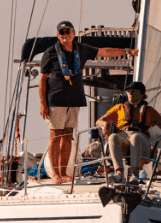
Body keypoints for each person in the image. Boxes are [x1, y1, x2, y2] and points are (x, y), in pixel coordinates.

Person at [38, 21, 137, 184]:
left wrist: (127, 51)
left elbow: (104, 52)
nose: (65, 35)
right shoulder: (50, 53)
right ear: (58, 35)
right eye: (61, 32)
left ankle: (64, 172)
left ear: (73, 33)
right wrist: (43, 104)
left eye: (67, 32)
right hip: (55, 100)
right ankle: (55, 174)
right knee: (55, 136)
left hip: (74, 100)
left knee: (67, 136)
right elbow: (42, 80)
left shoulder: (81, 49)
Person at [97, 81, 161, 184]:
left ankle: (135, 175)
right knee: (113, 137)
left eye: (133, 91)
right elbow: (99, 121)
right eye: (128, 91)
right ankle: (119, 173)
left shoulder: (150, 111)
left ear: (142, 94)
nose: (130, 93)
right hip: (124, 139)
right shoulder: (119, 108)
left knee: (135, 137)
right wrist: (104, 124)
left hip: (142, 142)